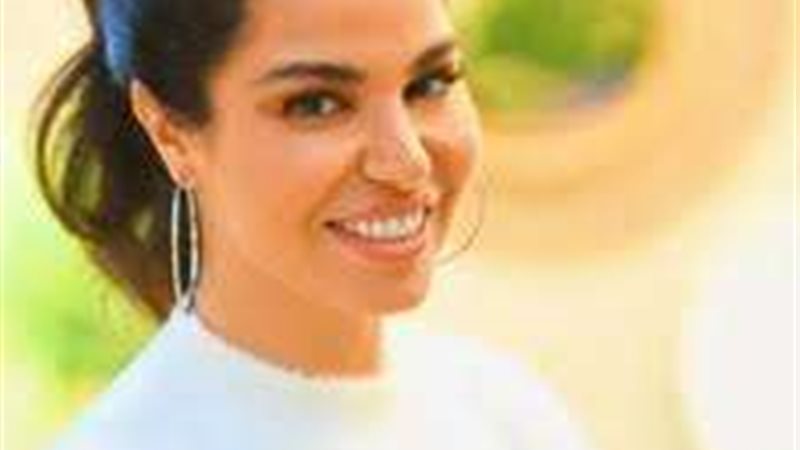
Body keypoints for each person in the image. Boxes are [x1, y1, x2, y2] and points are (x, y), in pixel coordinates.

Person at [35, 0, 594, 448]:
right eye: (317, 104)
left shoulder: (507, 414)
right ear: (169, 133)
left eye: (430, 83)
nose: (407, 161)